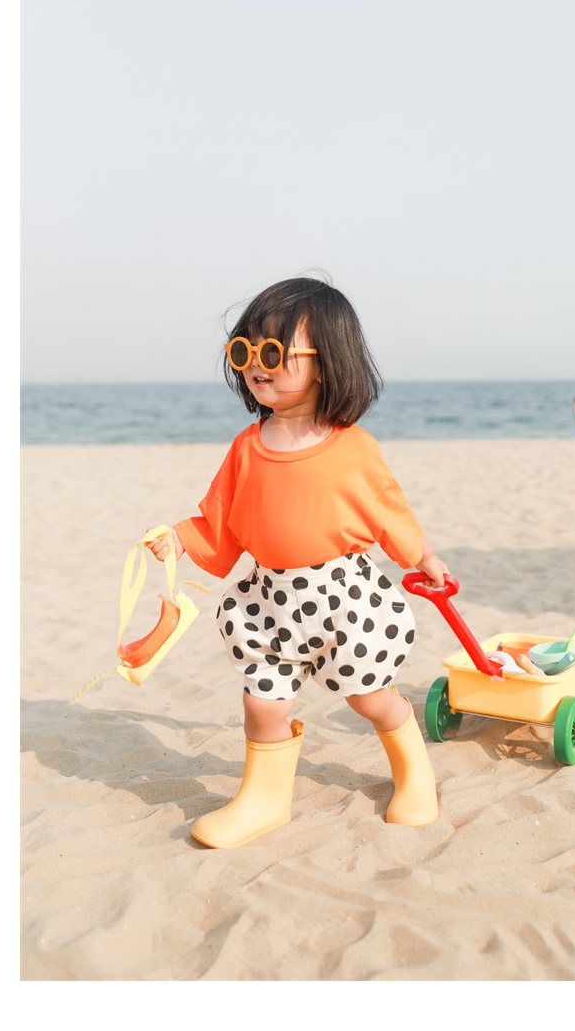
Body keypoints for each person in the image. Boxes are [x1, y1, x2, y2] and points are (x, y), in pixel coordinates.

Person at [148, 276, 447, 849]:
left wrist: (422, 556)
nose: (254, 366)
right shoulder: (247, 446)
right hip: (270, 600)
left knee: (370, 698)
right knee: (262, 702)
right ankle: (265, 799)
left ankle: (414, 772)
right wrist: (181, 540)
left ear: (326, 363)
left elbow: (387, 509)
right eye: (244, 350)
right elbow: (220, 518)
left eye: (273, 352)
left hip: (344, 599)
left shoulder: (352, 446)